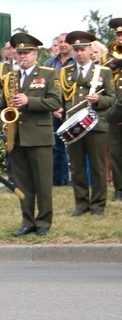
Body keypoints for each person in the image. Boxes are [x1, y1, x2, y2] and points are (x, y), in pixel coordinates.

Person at [0, 32, 61, 236]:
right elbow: (2, 105)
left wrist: (29, 101)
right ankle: (27, 221)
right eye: (19, 53)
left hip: (39, 136)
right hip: (17, 136)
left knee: (42, 183)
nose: (21, 56)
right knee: (22, 183)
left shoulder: (48, 73)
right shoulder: (9, 76)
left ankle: (43, 222)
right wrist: (3, 122)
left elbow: (55, 102)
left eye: (26, 53)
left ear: (35, 54)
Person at [56, 30, 115, 217]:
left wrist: (98, 99)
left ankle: (98, 204)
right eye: (77, 50)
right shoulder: (66, 72)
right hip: (74, 125)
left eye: (83, 49)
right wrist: (58, 108)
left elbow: (112, 98)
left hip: (96, 124)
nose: (79, 53)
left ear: (91, 49)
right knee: (77, 166)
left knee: (97, 167)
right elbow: (62, 98)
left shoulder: (103, 71)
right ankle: (81, 203)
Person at [45, 33, 75, 186]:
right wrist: (53, 108)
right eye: (60, 42)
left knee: (75, 145)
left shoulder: (76, 61)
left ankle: (75, 178)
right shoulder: (50, 62)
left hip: (73, 108)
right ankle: (59, 179)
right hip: (55, 109)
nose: (63, 45)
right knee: (57, 146)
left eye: (65, 42)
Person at [106, 17, 122, 203]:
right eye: (118, 34)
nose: (120, 38)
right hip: (115, 113)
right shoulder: (110, 56)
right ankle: (119, 189)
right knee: (116, 153)